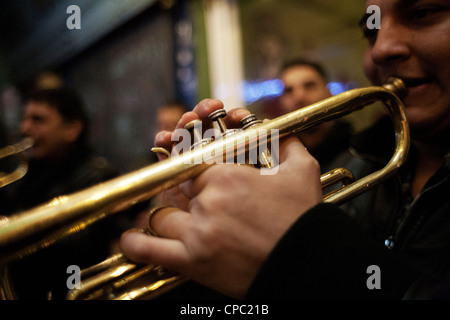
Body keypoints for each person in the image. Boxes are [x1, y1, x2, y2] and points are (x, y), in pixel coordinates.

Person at [120, 0, 450, 299]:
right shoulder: (359, 163)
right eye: (371, 32)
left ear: (327, 90)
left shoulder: (345, 159)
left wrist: (305, 252)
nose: (380, 49)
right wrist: (212, 244)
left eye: (421, 13)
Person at [0, 87, 120, 299]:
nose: (25, 127)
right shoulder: (26, 175)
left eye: (38, 120)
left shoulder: (98, 175)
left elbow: (79, 246)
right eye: (24, 118)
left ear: (72, 129)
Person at [278, 59, 353, 172]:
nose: (299, 96)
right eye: (289, 90)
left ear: (328, 93)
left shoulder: (356, 148)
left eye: (309, 86)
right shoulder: (277, 154)